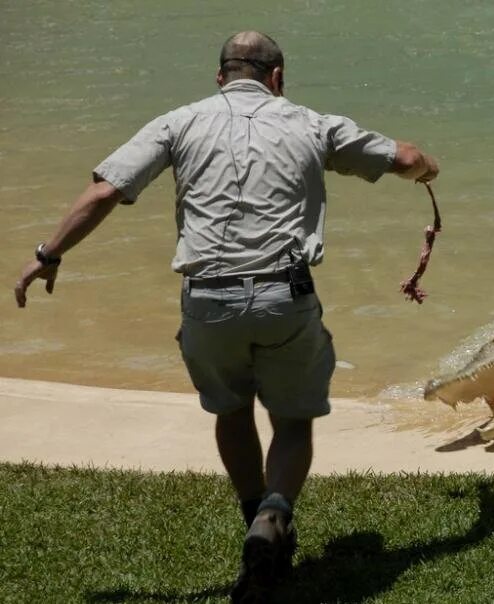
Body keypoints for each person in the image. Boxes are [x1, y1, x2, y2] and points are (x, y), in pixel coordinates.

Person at [13, 31, 439, 602]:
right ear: (278, 78)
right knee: (292, 420)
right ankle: (275, 513)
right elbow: (407, 158)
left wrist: (49, 254)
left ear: (220, 78)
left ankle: (256, 526)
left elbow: (103, 192)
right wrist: (428, 173)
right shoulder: (312, 124)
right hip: (284, 297)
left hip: (206, 300)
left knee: (232, 411)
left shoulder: (179, 123)